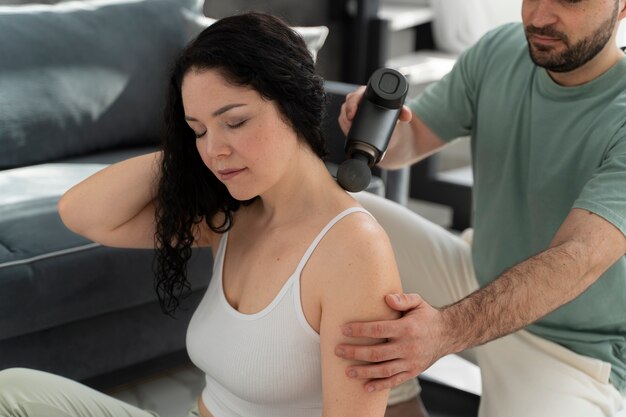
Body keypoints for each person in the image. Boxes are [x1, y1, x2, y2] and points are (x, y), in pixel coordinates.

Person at [0, 12, 405, 417]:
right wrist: (183, 152)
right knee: (10, 390)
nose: (214, 151)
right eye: (198, 130)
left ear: (293, 105)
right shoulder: (233, 217)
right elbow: (82, 214)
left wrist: (206, 135)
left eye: (235, 121)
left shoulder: (354, 251)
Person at [336, 0, 626, 416]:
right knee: (340, 213)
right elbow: (414, 139)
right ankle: (401, 406)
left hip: (573, 350)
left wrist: (444, 331)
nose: (540, 16)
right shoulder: (500, 50)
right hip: (476, 279)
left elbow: (575, 259)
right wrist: (376, 132)